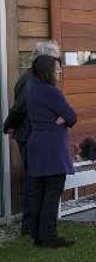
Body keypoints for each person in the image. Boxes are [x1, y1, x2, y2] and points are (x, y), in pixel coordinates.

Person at [3, 41, 60, 235]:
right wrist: (8, 125)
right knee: (34, 182)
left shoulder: (34, 79)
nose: (58, 65)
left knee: (36, 181)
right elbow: (20, 107)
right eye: (55, 59)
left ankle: (34, 226)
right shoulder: (30, 81)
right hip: (29, 135)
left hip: (32, 134)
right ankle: (30, 226)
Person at [26, 55, 76, 248]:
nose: (60, 72)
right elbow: (71, 117)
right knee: (52, 194)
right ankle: (49, 236)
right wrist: (61, 119)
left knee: (38, 192)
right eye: (57, 69)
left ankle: (37, 234)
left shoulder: (32, 89)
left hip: (36, 143)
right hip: (52, 147)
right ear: (48, 71)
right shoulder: (52, 92)